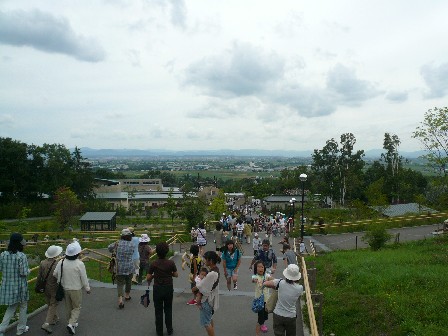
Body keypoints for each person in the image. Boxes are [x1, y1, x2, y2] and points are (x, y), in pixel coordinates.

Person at [53, 242, 91, 335]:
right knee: (77, 307)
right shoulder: (79, 263)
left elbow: (55, 274)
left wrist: (60, 281)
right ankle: (71, 323)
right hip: (76, 289)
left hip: (65, 288)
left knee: (68, 307)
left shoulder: (61, 262)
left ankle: (71, 323)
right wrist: (87, 288)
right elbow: (84, 278)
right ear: (77, 253)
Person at [0, 233, 30, 336]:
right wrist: (28, 270)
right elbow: (24, 273)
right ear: (19, 243)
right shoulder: (21, 256)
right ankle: (20, 329)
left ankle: (1, 329)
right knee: (23, 306)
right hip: (20, 286)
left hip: (8, 287)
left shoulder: (3, 254)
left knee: (11, 307)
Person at [147, 242, 178, 336]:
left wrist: (154, 276)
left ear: (157, 252)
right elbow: (176, 275)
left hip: (158, 288)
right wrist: (169, 274)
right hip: (168, 288)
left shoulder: (154, 263)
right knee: (168, 309)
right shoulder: (171, 263)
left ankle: (159, 331)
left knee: (158, 310)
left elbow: (148, 278)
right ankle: (169, 329)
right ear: (167, 251)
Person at [263, 264, 304, 336]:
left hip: (278, 314)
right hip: (291, 316)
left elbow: (265, 283)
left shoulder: (280, 282)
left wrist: (276, 288)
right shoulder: (299, 288)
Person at [192, 251, 220, 336]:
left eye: (205, 259)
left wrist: (194, 288)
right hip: (211, 300)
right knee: (209, 319)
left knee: (206, 323)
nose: (204, 260)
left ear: (210, 260)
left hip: (207, 301)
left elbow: (202, 287)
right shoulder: (215, 270)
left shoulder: (211, 274)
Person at [108, 228, 135, 309]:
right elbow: (132, 252)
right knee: (128, 281)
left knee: (120, 283)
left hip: (119, 267)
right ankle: (127, 296)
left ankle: (120, 300)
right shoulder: (132, 244)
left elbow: (109, 248)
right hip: (129, 266)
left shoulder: (117, 243)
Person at [39, 245, 63, 334]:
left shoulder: (42, 262)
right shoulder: (58, 263)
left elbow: (39, 276)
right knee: (53, 304)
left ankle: (55, 318)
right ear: (56, 255)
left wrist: (38, 286)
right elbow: (59, 276)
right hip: (54, 287)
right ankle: (46, 323)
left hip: (45, 286)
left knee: (50, 303)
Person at [251, 261, 273, 335]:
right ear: (256, 268)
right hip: (259, 300)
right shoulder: (255, 276)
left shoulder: (266, 275)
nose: (261, 268)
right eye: (259, 267)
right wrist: (255, 280)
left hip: (266, 299)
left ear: (264, 268)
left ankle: (262, 324)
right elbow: (253, 280)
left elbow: (271, 278)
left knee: (265, 314)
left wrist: (270, 278)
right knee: (260, 316)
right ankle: (258, 331)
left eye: (262, 267)